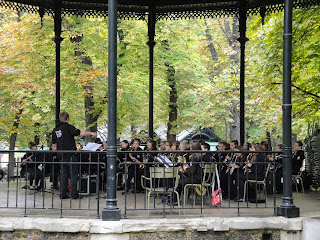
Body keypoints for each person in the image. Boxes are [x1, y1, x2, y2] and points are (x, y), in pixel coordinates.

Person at [52, 111, 96, 199]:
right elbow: (80, 133)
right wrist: (91, 133)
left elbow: (54, 145)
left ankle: (63, 194)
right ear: (67, 119)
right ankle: (74, 194)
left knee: (63, 174)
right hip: (70, 154)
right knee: (74, 174)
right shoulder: (68, 127)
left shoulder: (55, 130)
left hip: (61, 155)